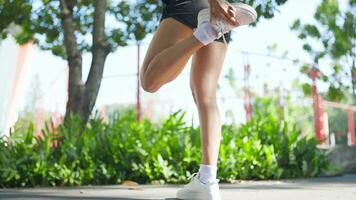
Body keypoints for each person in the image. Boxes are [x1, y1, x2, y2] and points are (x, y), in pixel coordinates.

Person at [139, 0, 257, 199]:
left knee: (149, 80)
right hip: (218, 14)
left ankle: (205, 33)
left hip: (189, 4)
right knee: (206, 96)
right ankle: (207, 181)